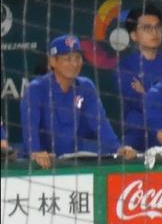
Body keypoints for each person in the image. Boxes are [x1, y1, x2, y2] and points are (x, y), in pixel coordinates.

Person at [20, 35, 137, 168]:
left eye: (77, 57)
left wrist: (118, 148)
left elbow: (100, 123)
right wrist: (35, 152)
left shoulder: (85, 86)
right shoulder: (36, 89)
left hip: (73, 163)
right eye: (67, 58)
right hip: (40, 166)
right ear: (53, 61)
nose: (74, 64)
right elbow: (30, 128)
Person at [116, 4, 162, 152]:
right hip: (137, 133)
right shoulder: (125, 66)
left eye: (157, 27)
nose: (154, 32)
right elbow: (137, 101)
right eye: (147, 28)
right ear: (134, 35)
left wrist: (145, 92)